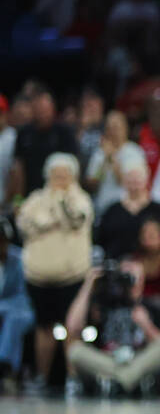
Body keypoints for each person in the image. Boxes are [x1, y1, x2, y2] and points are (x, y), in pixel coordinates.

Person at [14, 153, 93, 391]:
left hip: (73, 275)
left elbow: (78, 218)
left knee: (73, 328)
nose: (60, 178)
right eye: (56, 174)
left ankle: (73, 378)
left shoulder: (81, 199)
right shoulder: (35, 200)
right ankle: (42, 376)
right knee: (44, 328)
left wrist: (59, 208)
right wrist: (49, 219)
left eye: (65, 174)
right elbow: (25, 222)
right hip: (39, 277)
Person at [65, 259, 160, 395]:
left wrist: (146, 325)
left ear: (142, 280)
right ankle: (128, 381)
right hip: (108, 360)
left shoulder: (150, 306)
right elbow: (72, 327)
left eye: (132, 277)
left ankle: (119, 382)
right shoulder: (103, 304)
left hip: (138, 359)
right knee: (75, 350)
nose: (127, 283)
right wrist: (88, 285)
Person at [84, 110, 146, 213]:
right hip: (102, 208)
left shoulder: (134, 152)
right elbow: (92, 184)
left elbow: (123, 181)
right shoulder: (100, 153)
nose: (112, 132)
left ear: (125, 129)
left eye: (116, 128)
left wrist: (111, 157)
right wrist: (104, 161)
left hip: (127, 209)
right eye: (109, 128)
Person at [0, 220, 35, 383]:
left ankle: (6, 366)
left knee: (14, 320)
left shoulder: (20, 258)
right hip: (6, 307)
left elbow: (23, 294)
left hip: (20, 308)